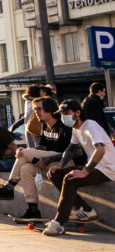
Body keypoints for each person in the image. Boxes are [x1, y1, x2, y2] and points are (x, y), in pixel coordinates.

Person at [0, 96, 72, 221]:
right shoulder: (45, 126)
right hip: (52, 165)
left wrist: (40, 156)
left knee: (25, 153)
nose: (36, 112)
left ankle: (8, 188)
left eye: (39, 109)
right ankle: (33, 209)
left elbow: (72, 152)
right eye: (35, 109)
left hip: (66, 163)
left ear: (50, 110)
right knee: (26, 168)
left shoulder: (64, 126)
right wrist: (27, 151)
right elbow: (43, 147)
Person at [41, 99, 115, 236]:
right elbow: (71, 148)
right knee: (55, 174)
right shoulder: (76, 128)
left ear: (78, 112)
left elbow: (100, 150)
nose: (63, 117)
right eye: (61, 114)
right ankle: (85, 210)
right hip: (96, 167)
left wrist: (85, 171)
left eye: (66, 113)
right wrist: (60, 165)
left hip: (108, 169)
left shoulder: (90, 125)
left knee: (71, 178)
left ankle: (59, 222)